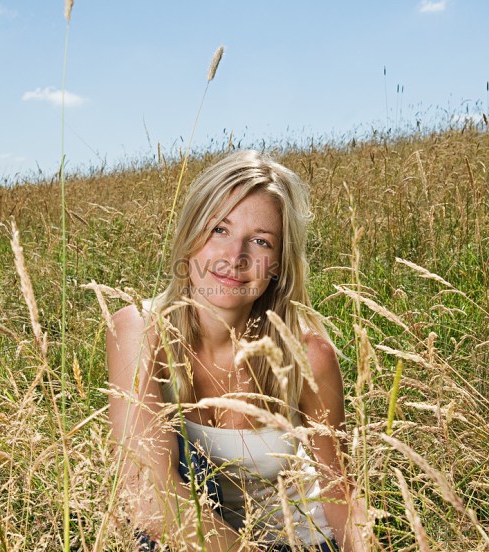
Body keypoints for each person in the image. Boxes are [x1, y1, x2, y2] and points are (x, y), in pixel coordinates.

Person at [106, 150, 367, 551]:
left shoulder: (307, 355)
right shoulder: (139, 330)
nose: (235, 257)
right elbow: (149, 501)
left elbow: (339, 490)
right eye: (219, 230)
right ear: (191, 235)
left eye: (260, 241)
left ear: (278, 264)